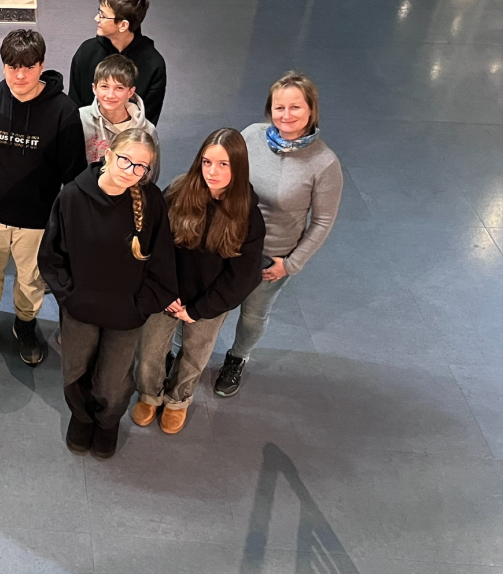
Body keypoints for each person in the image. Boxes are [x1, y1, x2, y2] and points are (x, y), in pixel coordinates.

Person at [38, 127, 176, 459]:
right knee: (75, 370)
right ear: (108, 155)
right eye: (126, 160)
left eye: (141, 167)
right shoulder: (72, 197)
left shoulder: (151, 202)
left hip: (126, 314)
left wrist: (140, 306)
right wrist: (70, 297)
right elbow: (52, 256)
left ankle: (107, 421)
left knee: (114, 381)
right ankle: (82, 417)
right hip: (80, 309)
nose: (131, 171)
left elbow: (162, 260)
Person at [214, 72, 342, 397]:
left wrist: (291, 264)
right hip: (229, 243)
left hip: (271, 257)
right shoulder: (250, 136)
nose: (286, 115)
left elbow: (323, 221)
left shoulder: (324, 163)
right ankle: (179, 354)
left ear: (311, 110)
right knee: (209, 305)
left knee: (253, 315)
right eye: (279, 107)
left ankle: (237, 358)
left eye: (295, 107)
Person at [131, 128, 266, 433]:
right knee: (150, 349)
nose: (212, 172)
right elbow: (156, 244)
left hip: (208, 303)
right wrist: (163, 291)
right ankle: (149, 395)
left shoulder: (248, 216)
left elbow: (242, 278)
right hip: (165, 293)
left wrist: (197, 310)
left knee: (195, 355)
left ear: (238, 166)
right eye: (207, 162)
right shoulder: (179, 192)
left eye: (223, 164)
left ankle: (178, 400)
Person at [0, 28, 85, 365]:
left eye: (28, 67)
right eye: (12, 67)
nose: (19, 75)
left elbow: (73, 171)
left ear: (41, 66)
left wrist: (64, 220)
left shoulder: (63, 111)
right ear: (3, 66)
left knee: (31, 279)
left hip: (37, 217)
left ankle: (25, 323)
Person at [68, 0, 167, 125]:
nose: (96, 18)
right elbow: (74, 104)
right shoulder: (86, 52)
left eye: (103, 16)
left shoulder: (153, 64)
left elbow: (148, 119)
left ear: (123, 25)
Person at [78, 53, 160, 182]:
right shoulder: (79, 119)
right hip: (84, 191)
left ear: (130, 92)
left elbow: (149, 178)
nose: (110, 95)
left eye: (119, 88)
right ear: (94, 88)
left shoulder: (147, 131)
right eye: (104, 86)